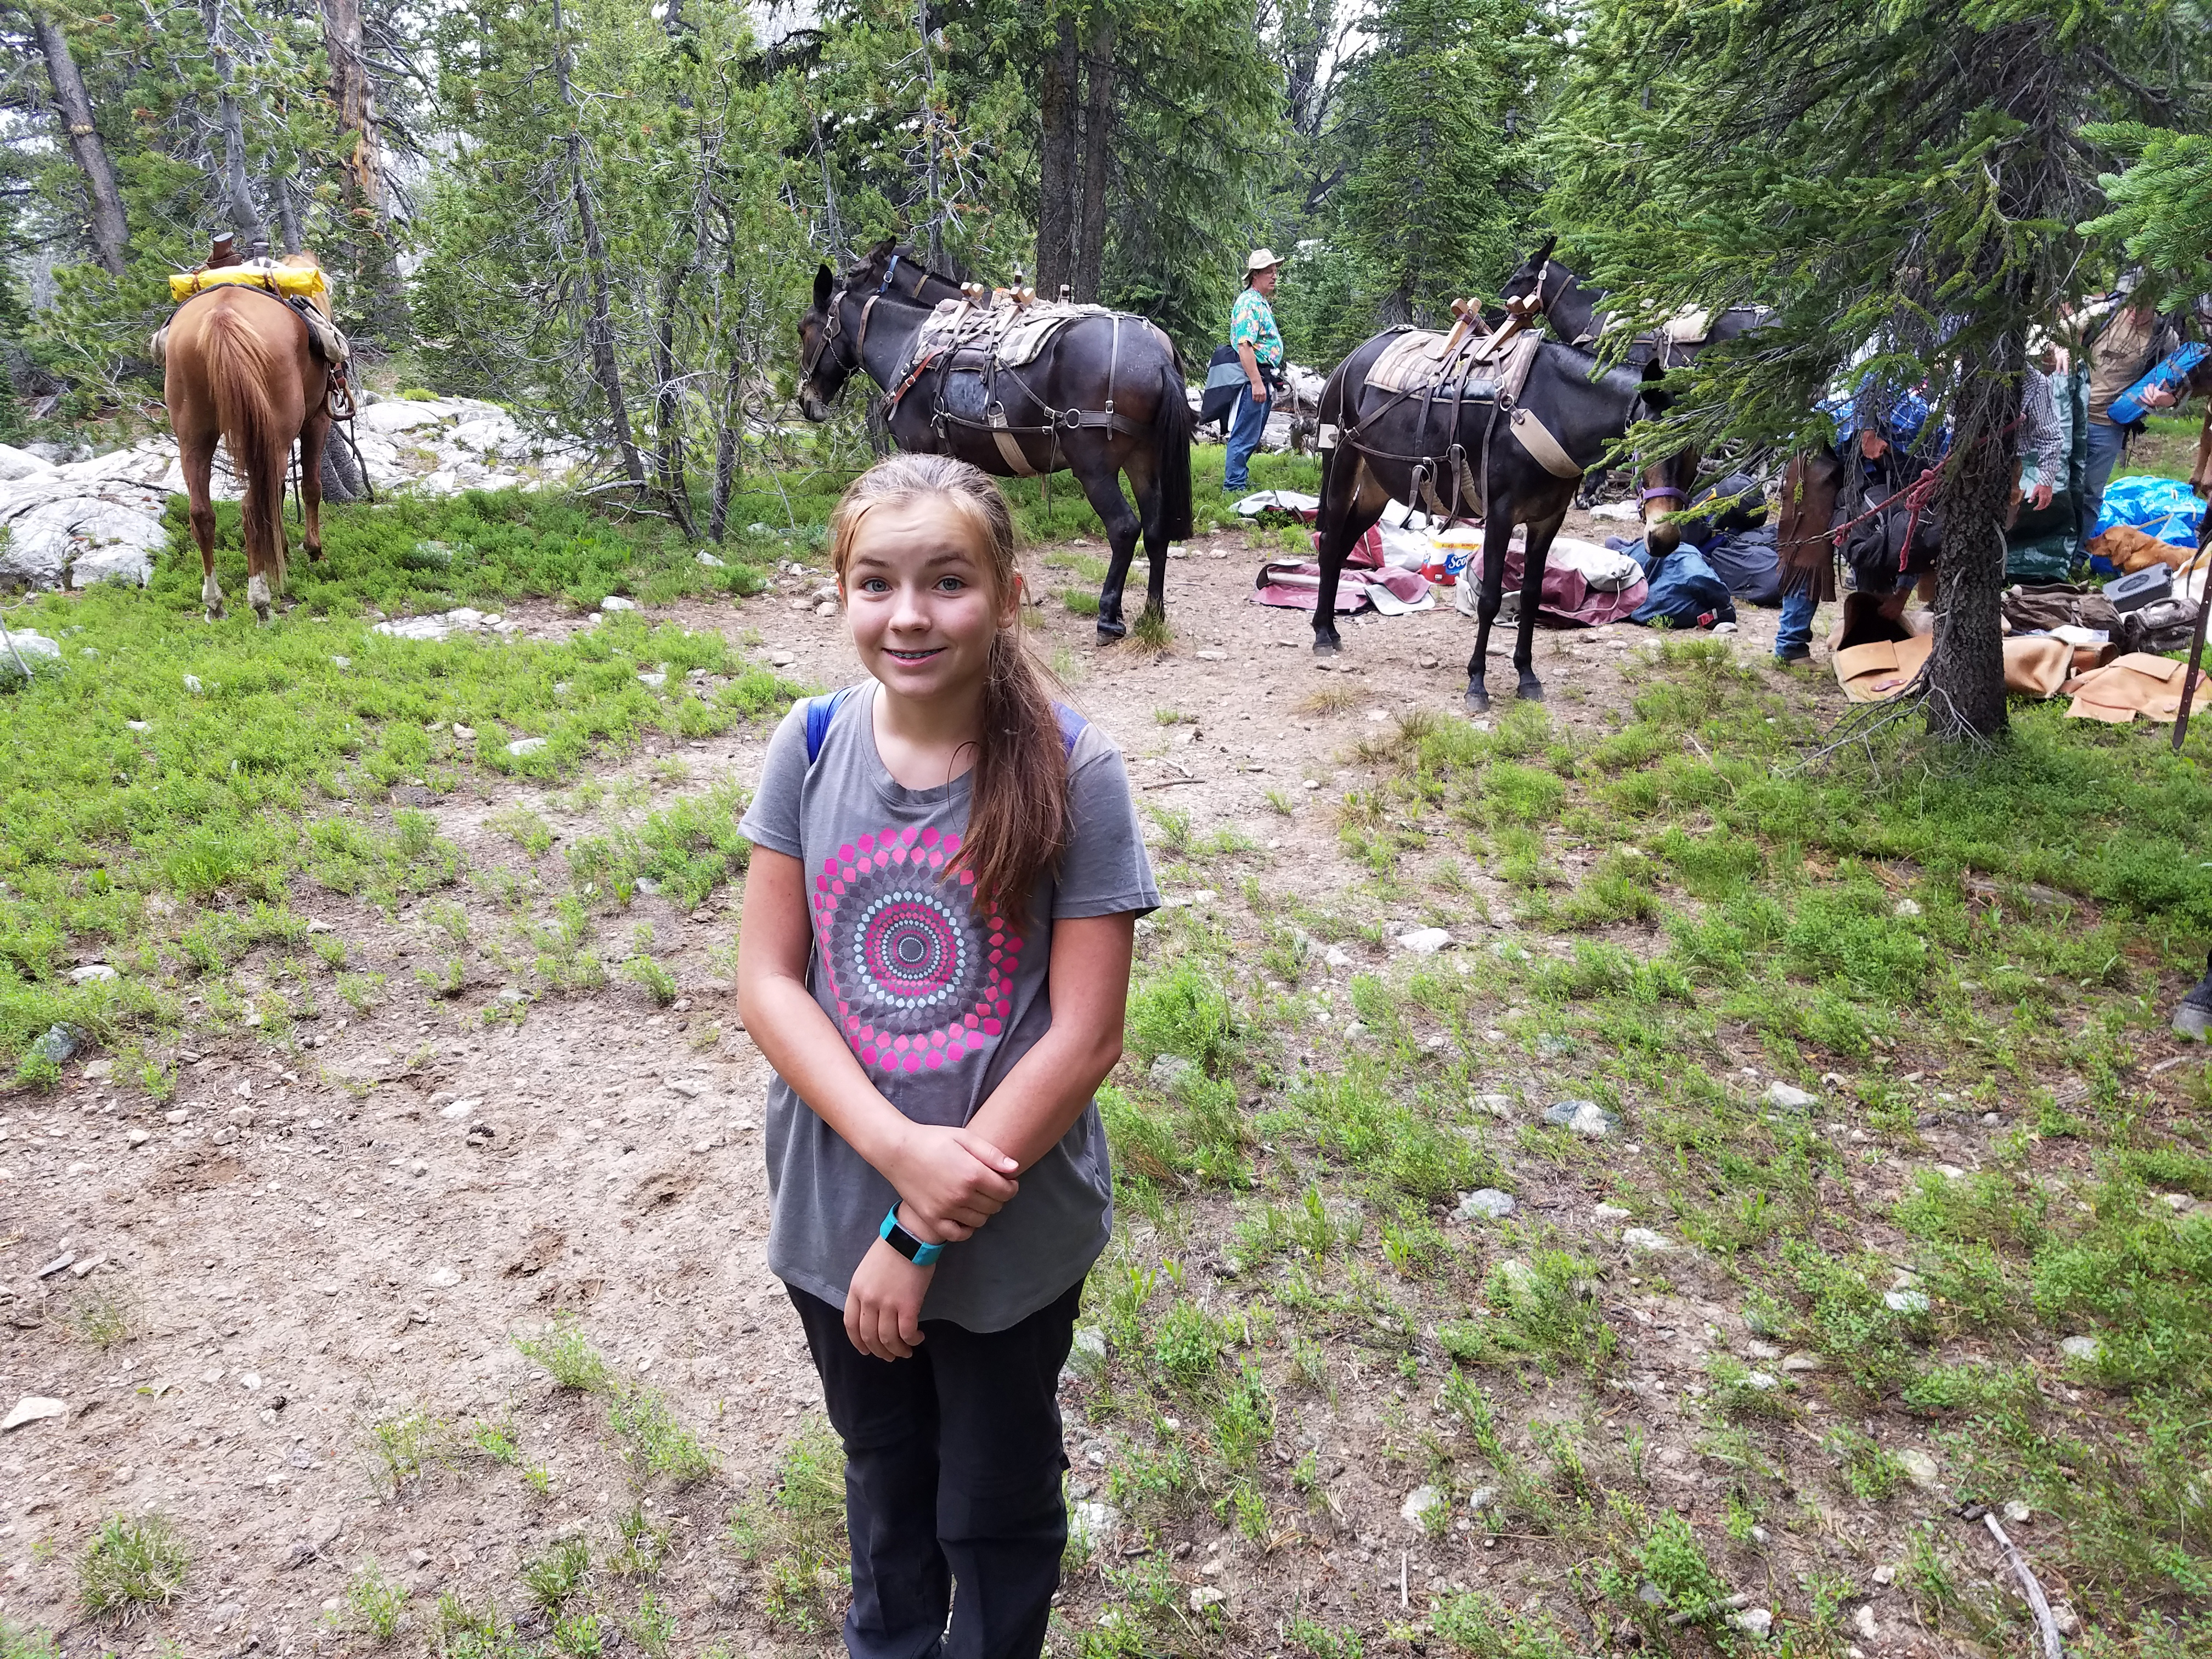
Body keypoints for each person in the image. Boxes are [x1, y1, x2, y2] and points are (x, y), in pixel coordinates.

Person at [735, 452, 1159, 1659]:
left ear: (1011, 594)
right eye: (876, 582)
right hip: (835, 1211)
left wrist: (920, 1229)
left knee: (997, 1498)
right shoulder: (810, 745)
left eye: (947, 581)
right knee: (885, 1480)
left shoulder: (1078, 770)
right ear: (842, 592)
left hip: (1006, 1229)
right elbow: (767, 981)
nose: (909, 614)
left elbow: (1086, 1036)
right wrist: (898, 1161)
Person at [2074, 281, 2182, 529]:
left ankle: (2077, 559)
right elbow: (2056, 339)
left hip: (2108, 425)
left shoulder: (2162, 335)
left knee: (2090, 493)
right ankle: (2048, 556)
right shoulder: (2101, 316)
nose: (2135, 307)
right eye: (2131, 298)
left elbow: (2177, 388)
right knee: (2057, 489)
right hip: (2072, 417)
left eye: (2144, 300)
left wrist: (2163, 398)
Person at [1223, 247, 1284, 494]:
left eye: (1275, 271)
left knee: (1251, 433)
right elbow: (1244, 346)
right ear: (1255, 275)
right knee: (1245, 433)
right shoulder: (1249, 303)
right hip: (1254, 378)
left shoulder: (1260, 303)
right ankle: (1234, 487)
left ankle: (1239, 480)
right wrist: (1257, 382)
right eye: (1269, 272)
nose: (1274, 276)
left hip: (1262, 376)